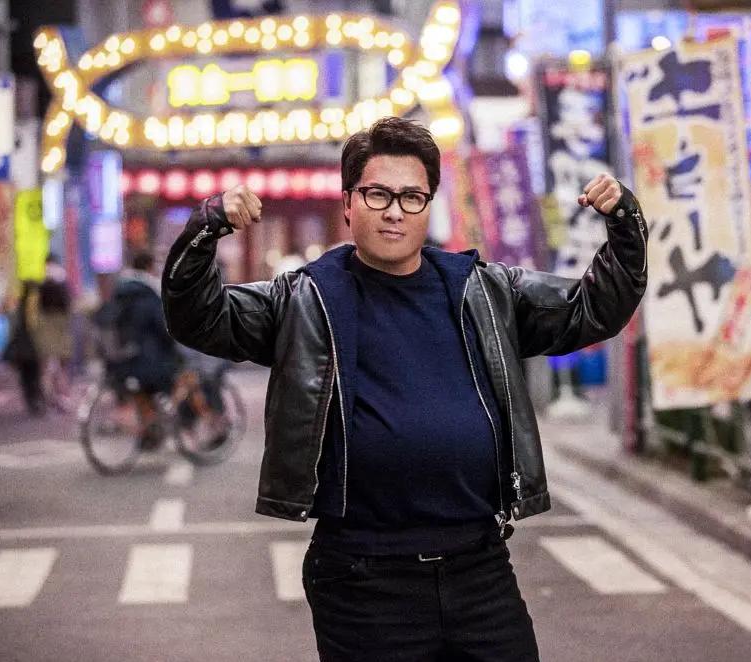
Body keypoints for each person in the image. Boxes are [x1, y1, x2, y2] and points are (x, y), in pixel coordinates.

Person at [163, 116, 648, 661]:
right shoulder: (302, 300)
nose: (395, 211)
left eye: (412, 197)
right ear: (349, 203)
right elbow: (198, 317)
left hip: (480, 568)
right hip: (363, 580)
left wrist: (624, 222)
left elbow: (591, 309)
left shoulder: (484, 291)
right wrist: (207, 227)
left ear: (428, 205)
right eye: (378, 194)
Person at [94, 252, 179, 448]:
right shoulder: (148, 294)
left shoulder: (119, 292)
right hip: (148, 361)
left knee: (140, 387)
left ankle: (150, 430)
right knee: (176, 376)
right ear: (150, 267)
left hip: (119, 360)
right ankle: (154, 426)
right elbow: (164, 328)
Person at [36, 256, 74, 411]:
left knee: (47, 365)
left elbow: (38, 305)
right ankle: (62, 396)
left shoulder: (42, 280)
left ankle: (49, 397)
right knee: (61, 365)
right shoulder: (63, 279)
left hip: (47, 325)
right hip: (61, 325)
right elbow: (69, 303)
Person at [5, 282, 44, 416]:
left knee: (27, 377)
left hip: (23, 348)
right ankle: (35, 401)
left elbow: (13, 326)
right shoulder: (34, 305)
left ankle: (32, 400)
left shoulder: (19, 306)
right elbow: (34, 326)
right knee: (33, 375)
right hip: (31, 347)